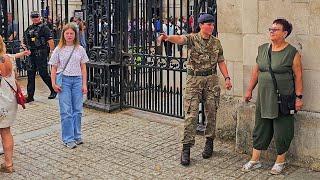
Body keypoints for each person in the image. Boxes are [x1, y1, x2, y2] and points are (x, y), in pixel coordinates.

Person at [158, 13, 232, 166]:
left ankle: (209, 142)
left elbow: (221, 61)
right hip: (194, 81)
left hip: (211, 81)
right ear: (201, 25)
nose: (211, 27)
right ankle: (186, 149)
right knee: (191, 115)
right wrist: (167, 38)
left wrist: (227, 78)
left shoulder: (216, 42)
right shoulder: (193, 38)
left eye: (212, 24)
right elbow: (180, 39)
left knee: (211, 112)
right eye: (208, 24)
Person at [242, 18, 303, 175]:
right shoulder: (263, 49)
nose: (271, 31)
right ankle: (255, 160)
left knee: (282, 128)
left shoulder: (292, 52)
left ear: (285, 33)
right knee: (261, 126)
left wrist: (299, 97)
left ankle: (280, 161)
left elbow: (298, 76)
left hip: (283, 98)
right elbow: (256, 71)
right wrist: (249, 90)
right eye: (271, 28)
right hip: (264, 96)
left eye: (275, 29)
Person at [49, 23, 89, 149]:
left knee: (77, 110)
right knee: (66, 111)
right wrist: (53, 83)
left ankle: (77, 135)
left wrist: (84, 84)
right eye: (67, 33)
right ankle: (68, 138)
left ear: (75, 35)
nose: (69, 35)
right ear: (63, 35)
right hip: (64, 81)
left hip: (77, 80)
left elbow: (83, 67)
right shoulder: (58, 49)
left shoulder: (80, 49)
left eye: (72, 33)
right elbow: (54, 67)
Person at [0, 35, 30, 173]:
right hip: (10, 101)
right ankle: (9, 164)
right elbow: (16, 78)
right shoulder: (8, 58)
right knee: (6, 132)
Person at [23, 11, 57, 103]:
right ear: (31, 18)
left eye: (36, 17)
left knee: (43, 74)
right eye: (33, 17)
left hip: (41, 53)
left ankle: (53, 89)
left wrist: (52, 52)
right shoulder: (29, 28)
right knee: (30, 75)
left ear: (39, 17)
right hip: (31, 54)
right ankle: (30, 96)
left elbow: (50, 40)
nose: (35, 18)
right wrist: (25, 48)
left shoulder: (44, 27)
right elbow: (24, 40)